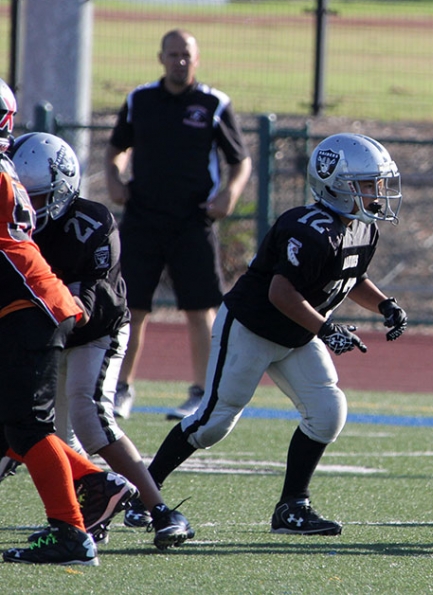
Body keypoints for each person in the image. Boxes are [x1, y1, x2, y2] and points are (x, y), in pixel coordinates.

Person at [123, 133, 406, 534]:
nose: (377, 193)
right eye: (366, 183)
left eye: (377, 183)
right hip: (252, 328)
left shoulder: (362, 228)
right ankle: (142, 496)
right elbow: (281, 293)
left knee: (327, 413)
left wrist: (384, 305)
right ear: (334, 182)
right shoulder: (306, 229)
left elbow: (350, 275)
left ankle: (292, 507)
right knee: (212, 423)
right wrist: (327, 329)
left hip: (296, 334)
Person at [10, 132, 194, 550]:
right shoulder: (13, 225)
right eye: (25, 197)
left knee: (89, 416)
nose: (30, 210)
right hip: (47, 333)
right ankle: (89, 511)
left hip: (95, 331)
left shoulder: (91, 222)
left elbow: (85, 305)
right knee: (49, 432)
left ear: (62, 187)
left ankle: (160, 509)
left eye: (39, 198)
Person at [0, 81, 134, 566]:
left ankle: (72, 532)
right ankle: (97, 484)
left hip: (27, 304)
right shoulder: (7, 170)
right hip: (27, 300)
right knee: (16, 428)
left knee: (28, 428)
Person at [104, 28, 252, 421]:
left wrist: (229, 196)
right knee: (130, 307)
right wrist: (115, 180)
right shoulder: (140, 100)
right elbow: (116, 148)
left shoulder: (214, 104)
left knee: (200, 309)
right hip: (143, 218)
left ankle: (202, 394)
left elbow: (241, 161)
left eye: (186, 55)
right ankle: (119, 390)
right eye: (172, 54)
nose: (179, 61)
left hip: (192, 220)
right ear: (161, 58)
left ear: (197, 59)